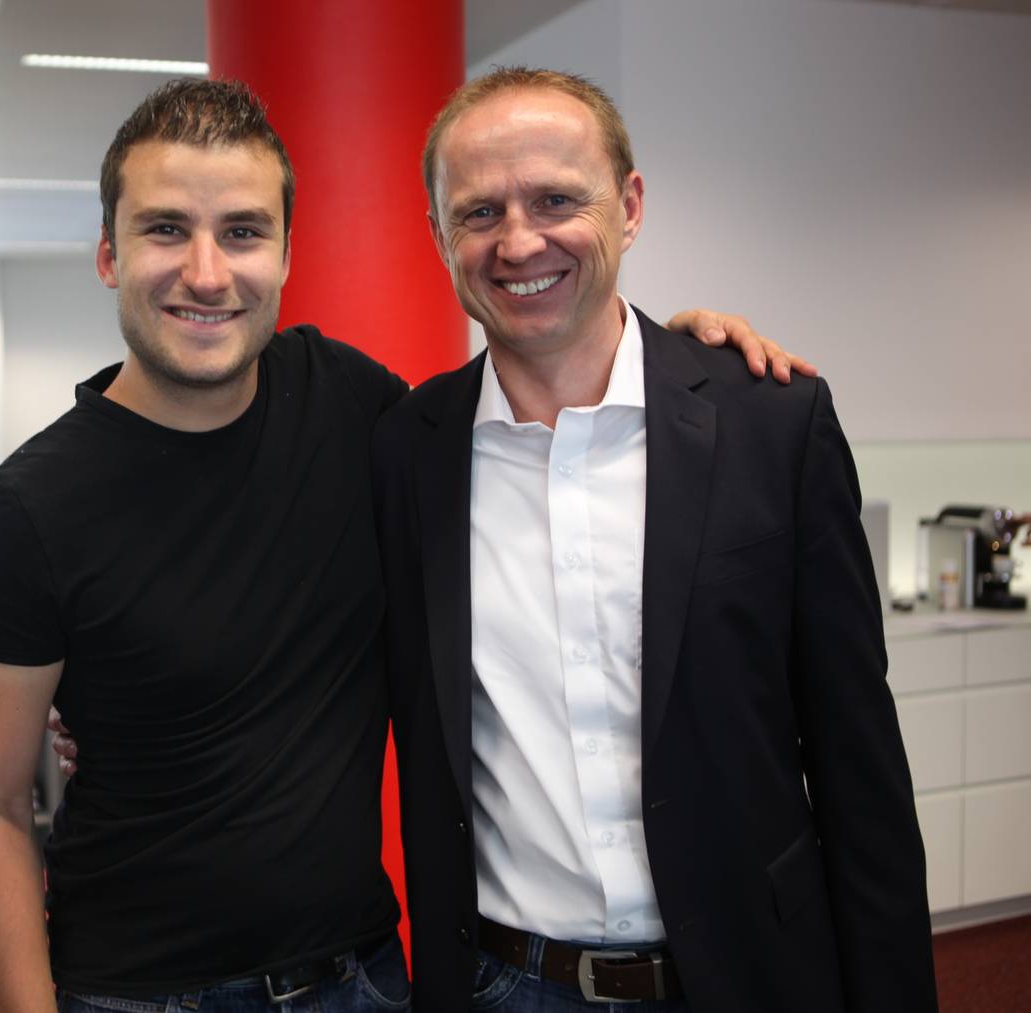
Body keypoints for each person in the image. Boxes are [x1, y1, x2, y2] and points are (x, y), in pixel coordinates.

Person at [0, 78, 806, 1013]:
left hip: (361, 977)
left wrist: (684, 354)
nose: (205, 271)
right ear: (109, 254)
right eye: (164, 230)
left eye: (241, 231)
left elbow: (530, 410)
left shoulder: (357, 410)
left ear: (283, 253)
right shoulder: (27, 511)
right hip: (140, 991)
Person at [372, 68, 934, 1011]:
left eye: (557, 199)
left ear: (628, 206)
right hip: (508, 983)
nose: (519, 241)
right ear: (438, 235)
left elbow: (859, 766)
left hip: (752, 974)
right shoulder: (402, 454)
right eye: (478, 212)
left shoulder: (772, 423)